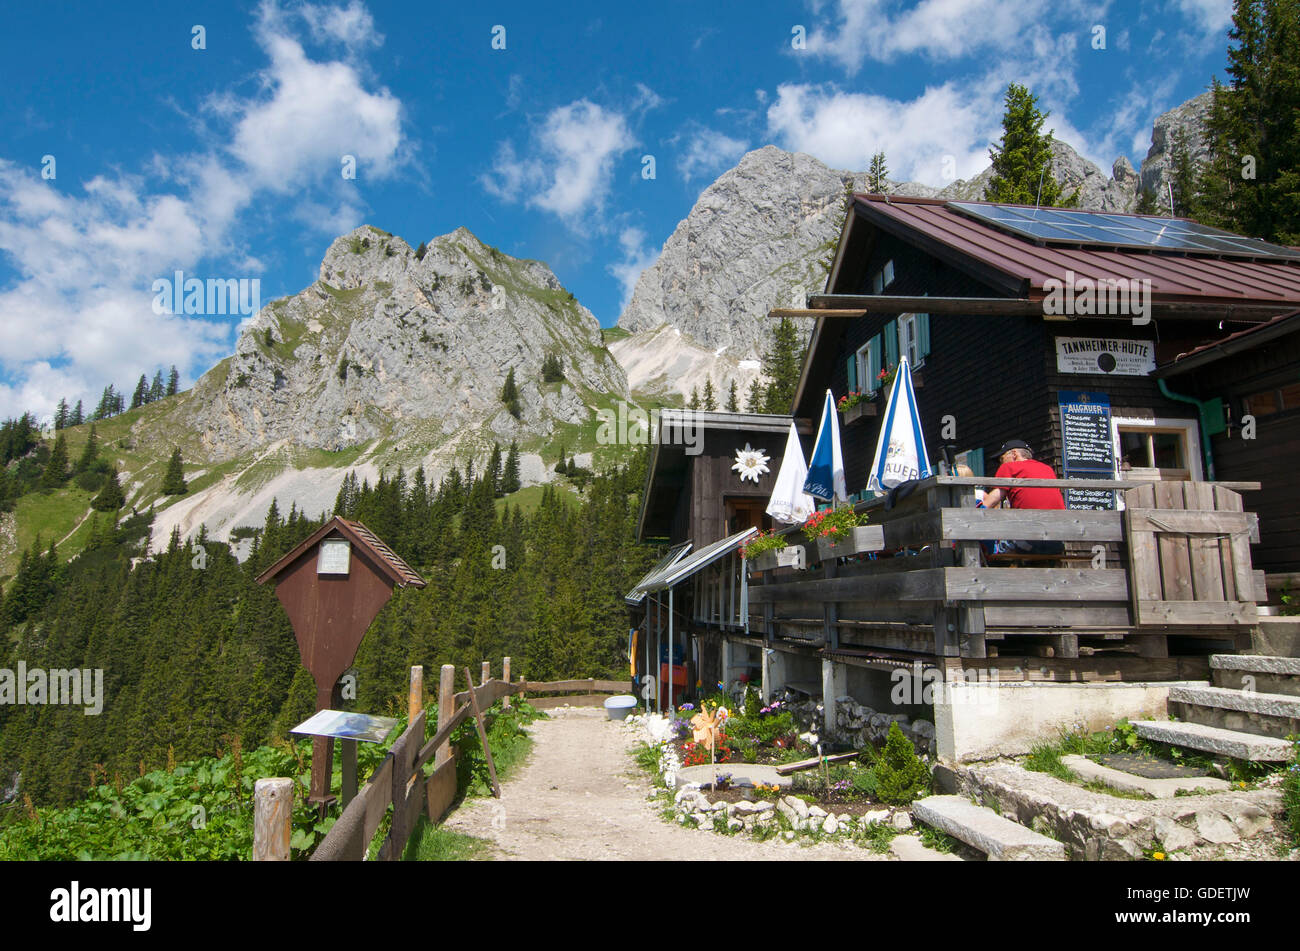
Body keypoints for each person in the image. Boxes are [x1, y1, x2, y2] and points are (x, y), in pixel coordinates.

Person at [979, 440, 1064, 556]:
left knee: (990, 548)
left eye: (1002, 459)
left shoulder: (1009, 467)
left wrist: (974, 513)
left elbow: (994, 498)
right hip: (1057, 541)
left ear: (1014, 454)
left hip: (1028, 540)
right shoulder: (1047, 469)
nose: (1001, 464)